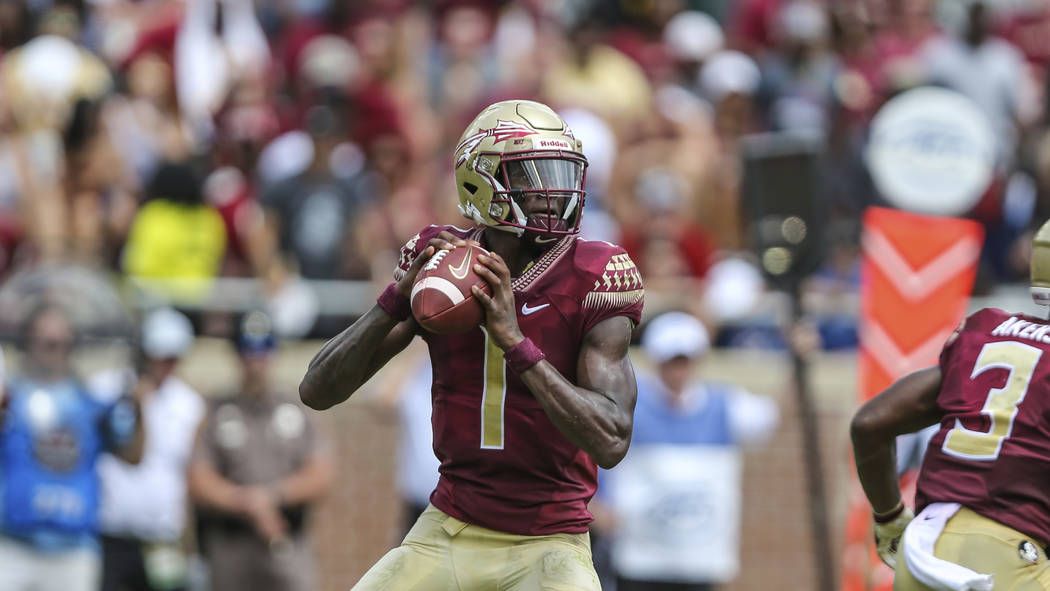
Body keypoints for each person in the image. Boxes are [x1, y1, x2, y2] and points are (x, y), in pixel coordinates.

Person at [299, 99, 645, 590]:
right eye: (533, 174)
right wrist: (395, 300)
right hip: (450, 528)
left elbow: (611, 440)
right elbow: (317, 390)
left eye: (560, 171)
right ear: (479, 182)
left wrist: (514, 342)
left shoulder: (594, 272)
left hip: (549, 541)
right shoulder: (444, 264)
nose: (554, 190)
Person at [851, 219, 1050, 589]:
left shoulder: (986, 335)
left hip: (924, 549)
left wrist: (890, 518)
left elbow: (870, 422)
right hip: (1009, 559)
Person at [593, 311, 779, 591]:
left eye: (685, 361)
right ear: (656, 361)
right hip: (639, 557)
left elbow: (770, 417)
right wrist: (596, 505)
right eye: (671, 362)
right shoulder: (630, 405)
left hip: (698, 561)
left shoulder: (725, 405)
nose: (678, 371)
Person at [0, 303, 144, 591]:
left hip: (73, 549)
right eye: (44, 340)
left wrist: (139, 408)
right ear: (28, 342)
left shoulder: (92, 403)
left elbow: (132, 455)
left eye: (59, 342)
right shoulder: (11, 396)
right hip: (14, 543)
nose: (51, 349)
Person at [188, 310, 332, 591]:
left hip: (285, 539)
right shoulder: (217, 411)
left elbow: (321, 475)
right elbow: (198, 480)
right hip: (231, 545)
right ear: (236, 354)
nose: (256, 360)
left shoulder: (296, 408)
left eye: (264, 348)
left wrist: (273, 497)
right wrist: (247, 503)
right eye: (247, 349)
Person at [90, 307, 205, 591]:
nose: (166, 364)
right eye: (160, 356)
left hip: (163, 541)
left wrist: (190, 545)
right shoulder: (107, 389)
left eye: (173, 357)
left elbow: (188, 475)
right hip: (111, 537)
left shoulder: (189, 405)